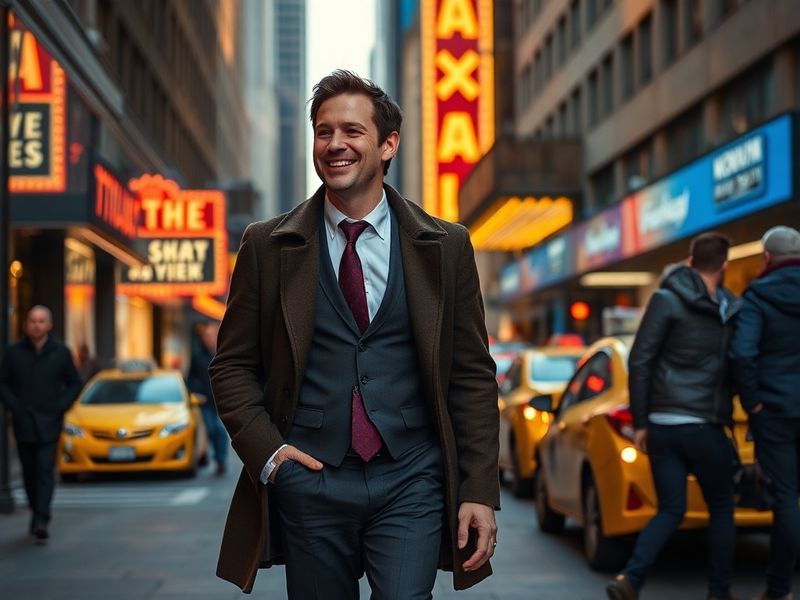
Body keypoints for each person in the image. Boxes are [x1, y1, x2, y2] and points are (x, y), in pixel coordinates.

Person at [209, 69, 499, 598]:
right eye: (323, 131)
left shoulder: (446, 245)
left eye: (352, 131)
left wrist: (478, 489)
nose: (335, 144)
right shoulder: (266, 246)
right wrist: (271, 456)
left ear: (388, 145)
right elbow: (230, 366)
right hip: (310, 479)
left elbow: (473, 375)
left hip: (412, 477)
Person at [606, 233, 740, 600]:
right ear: (725, 266)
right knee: (723, 506)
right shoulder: (728, 308)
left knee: (670, 509)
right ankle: (719, 593)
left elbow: (641, 360)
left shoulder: (666, 299)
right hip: (703, 425)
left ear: (690, 261)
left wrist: (643, 422)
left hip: (663, 427)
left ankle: (630, 580)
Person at [729, 226, 800, 600]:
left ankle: (778, 591)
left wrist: (752, 400)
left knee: (786, 500)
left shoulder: (757, 296)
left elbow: (742, 353)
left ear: (766, 258)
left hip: (774, 411)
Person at [0, 305, 82, 540]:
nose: (36, 325)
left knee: (45, 470)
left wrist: (60, 406)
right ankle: (36, 510)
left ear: (49, 325)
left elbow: (74, 382)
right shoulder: (15, 352)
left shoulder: (61, 352)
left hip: (49, 421)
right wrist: (14, 406)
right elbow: (3, 382)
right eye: (33, 321)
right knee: (29, 472)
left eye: (41, 321)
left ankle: (42, 518)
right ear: (27, 324)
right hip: (24, 422)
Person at [187, 321, 229, 476]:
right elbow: (190, 378)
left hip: (223, 400)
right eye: (205, 335)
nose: (208, 338)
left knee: (222, 431)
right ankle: (219, 459)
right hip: (206, 402)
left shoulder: (223, 353)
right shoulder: (197, 356)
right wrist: (196, 392)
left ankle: (220, 460)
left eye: (211, 335)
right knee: (213, 429)